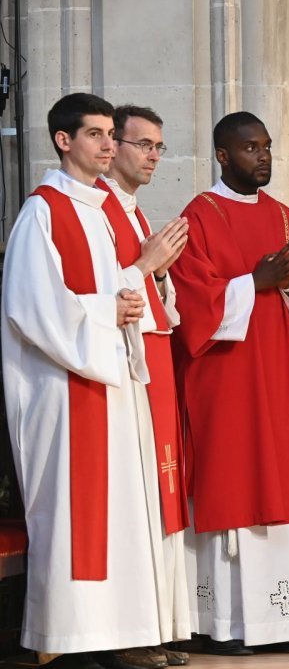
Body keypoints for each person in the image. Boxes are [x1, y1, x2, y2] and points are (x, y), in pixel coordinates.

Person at [1, 93, 173, 669]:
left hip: (110, 377)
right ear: (63, 140)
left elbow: (119, 294)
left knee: (121, 509)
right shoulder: (42, 212)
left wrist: (131, 290)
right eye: (96, 135)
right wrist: (125, 289)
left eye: (109, 134)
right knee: (76, 513)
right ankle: (70, 637)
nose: (108, 145)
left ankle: (121, 632)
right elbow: (35, 307)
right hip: (64, 385)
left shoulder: (99, 212)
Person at [169, 112, 289, 655]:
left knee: (283, 482)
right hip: (224, 377)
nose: (262, 157)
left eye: (266, 147)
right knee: (232, 482)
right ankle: (226, 626)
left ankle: (283, 624)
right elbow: (191, 299)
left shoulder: (287, 220)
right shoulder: (199, 217)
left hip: (279, 375)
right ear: (222, 155)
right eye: (249, 148)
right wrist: (254, 282)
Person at [98, 105, 193, 667]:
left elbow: (155, 293)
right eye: (141, 144)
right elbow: (102, 286)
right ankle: (129, 633)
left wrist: (160, 271)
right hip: (125, 363)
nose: (152, 155)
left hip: (153, 355)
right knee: (135, 501)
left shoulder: (133, 210)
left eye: (158, 146)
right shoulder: (101, 208)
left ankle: (154, 625)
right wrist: (148, 266)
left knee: (158, 500)